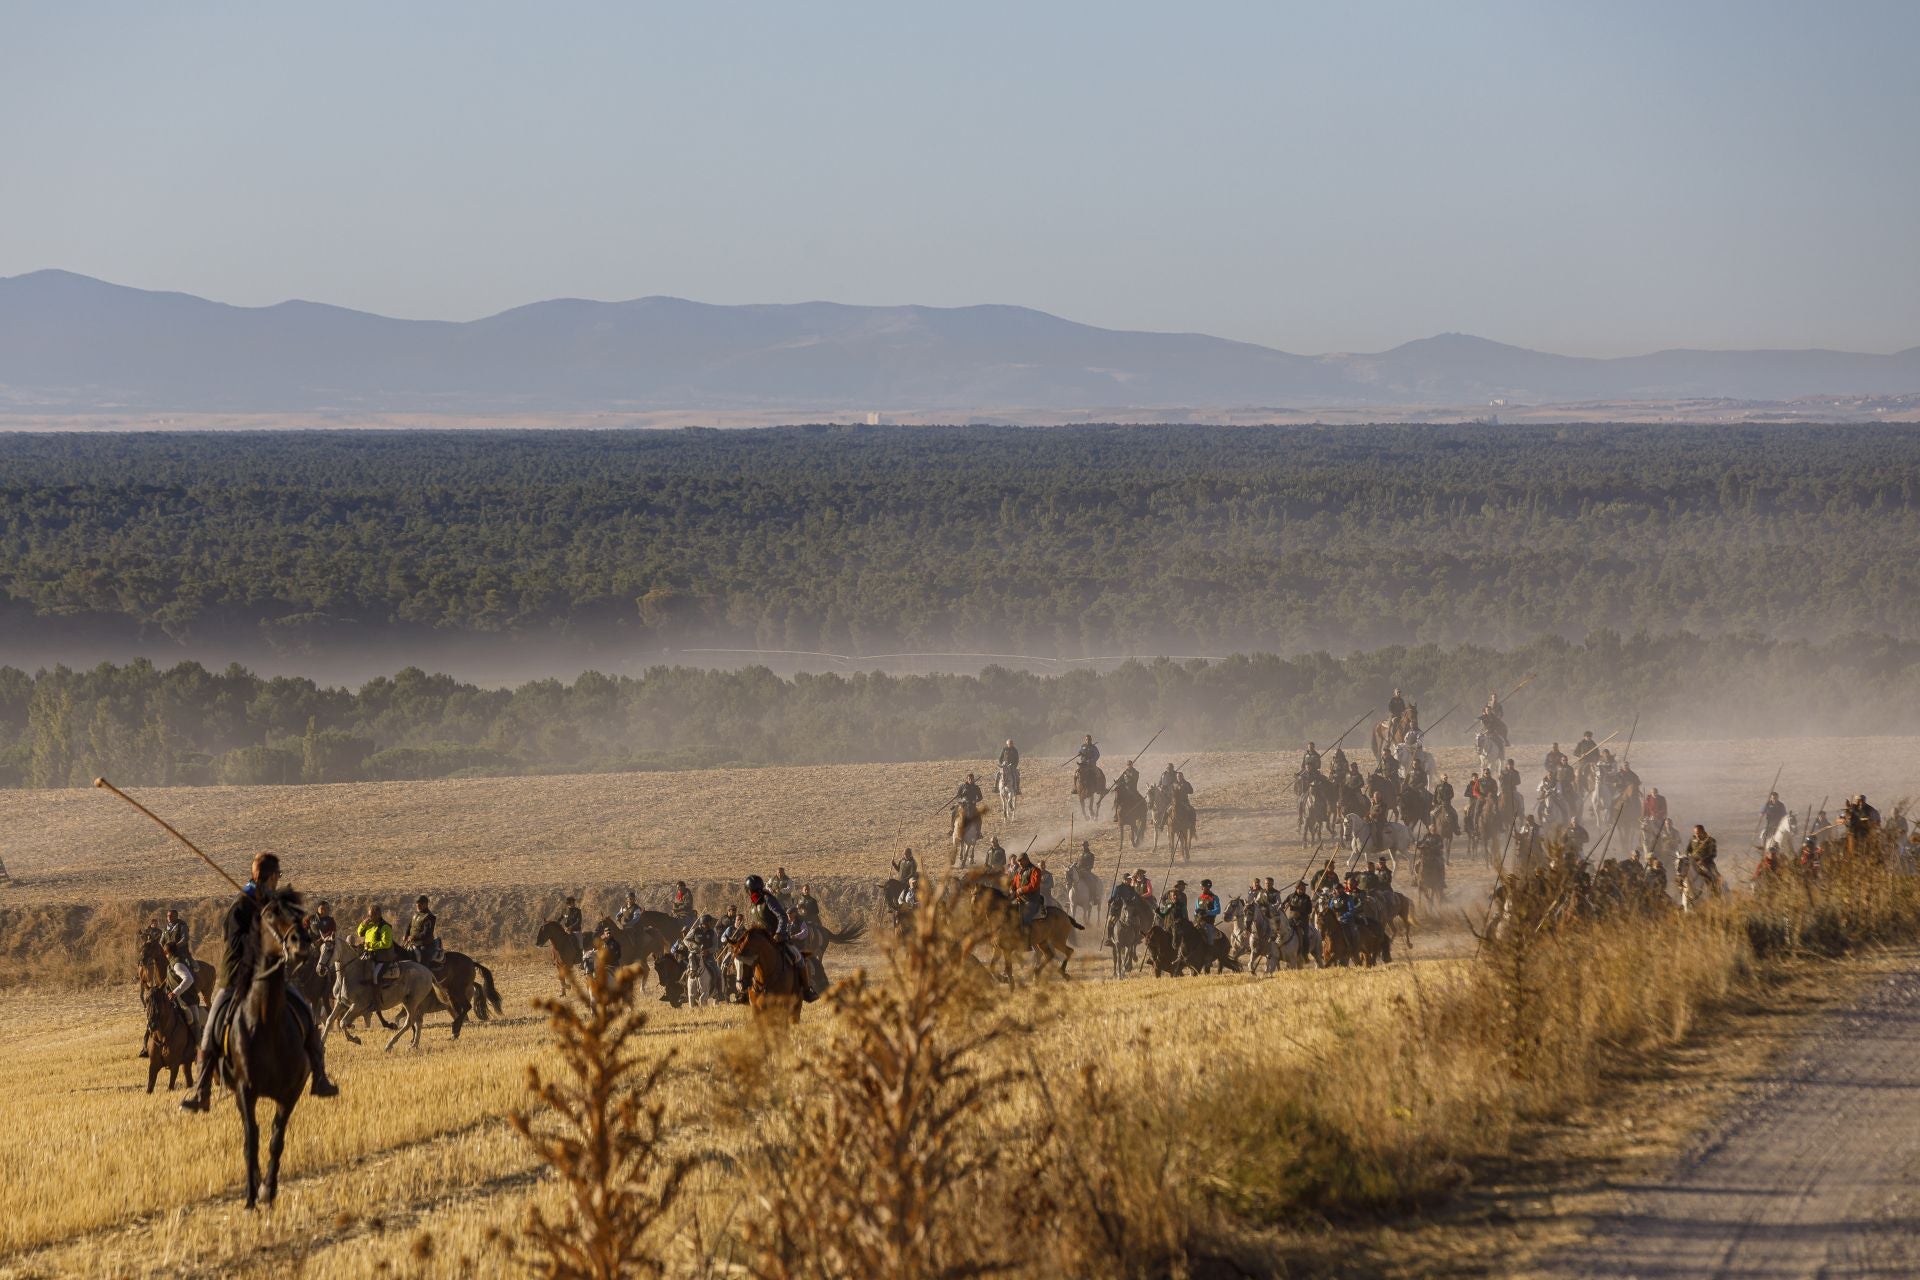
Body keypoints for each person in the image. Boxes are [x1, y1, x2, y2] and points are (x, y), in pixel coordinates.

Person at [181, 851, 338, 1112]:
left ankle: (319, 1077)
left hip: (272, 976)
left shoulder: (276, 903)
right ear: (271, 876)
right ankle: (202, 1091)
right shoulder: (241, 906)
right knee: (210, 1030)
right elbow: (234, 942)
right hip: (237, 977)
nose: (278, 881)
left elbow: (296, 932)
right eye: (277, 876)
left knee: (307, 1016)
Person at [744, 874, 813, 999]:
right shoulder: (753, 906)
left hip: (776, 938)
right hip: (760, 941)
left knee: (798, 957)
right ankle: (744, 990)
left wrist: (779, 933)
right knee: (743, 958)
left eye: (750, 891)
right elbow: (755, 924)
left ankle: (807, 990)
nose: (750, 893)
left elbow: (781, 916)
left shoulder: (768, 899)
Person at [358, 904, 397, 985]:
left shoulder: (385, 927)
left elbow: (386, 943)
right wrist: (363, 924)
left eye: (371, 915)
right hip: (369, 954)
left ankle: (377, 996)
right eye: (368, 915)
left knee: (376, 976)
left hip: (382, 958)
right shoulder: (369, 924)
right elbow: (360, 933)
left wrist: (371, 945)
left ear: (378, 915)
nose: (369, 917)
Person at [404, 895, 440, 968]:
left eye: (420, 905)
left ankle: (427, 976)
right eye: (417, 905)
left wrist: (413, 937)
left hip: (424, 944)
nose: (418, 907)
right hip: (412, 942)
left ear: (426, 904)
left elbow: (426, 933)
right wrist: (406, 935)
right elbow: (410, 926)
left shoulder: (429, 917)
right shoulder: (416, 914)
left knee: (423, 959)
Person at [1011, 854, 1045, 927]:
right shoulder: (1019, 871)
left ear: (1027, 860)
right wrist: (1011, 888)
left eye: (1021, 862)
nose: (1020, 864)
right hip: (1020, 899)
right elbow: (1014, 883)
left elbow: (1034, 885)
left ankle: (1026, 937)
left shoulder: (1035, 870)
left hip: (1031, 900)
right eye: (1019, 863)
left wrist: (1021, 890)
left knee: (1025, 920)